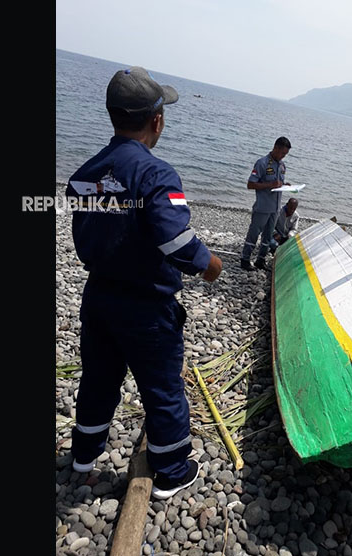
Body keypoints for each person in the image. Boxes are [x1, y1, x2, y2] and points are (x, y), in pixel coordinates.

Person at [64, 67, 223, 500]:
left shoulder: (86, 173)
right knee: (161, 386)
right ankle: (171, 471)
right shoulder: (157, 175)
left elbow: (87, 232)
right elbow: (176, 240)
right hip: (146, 307)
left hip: (98, 298)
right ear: (157, 121)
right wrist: (210, 264)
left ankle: (83, 455)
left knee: (98, 377)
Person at [240, 137, 291, 271]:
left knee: (268, 236)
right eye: (282, 153)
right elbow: (250, 184)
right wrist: (270, 184)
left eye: (285, 155)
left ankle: (260, 260)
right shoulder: (262, 163)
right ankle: (245, 259)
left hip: (275, 208)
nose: (283, 157)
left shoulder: (281, 165)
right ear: (276, 148)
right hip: (262, 207)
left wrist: (285, 186)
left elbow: (278, 183)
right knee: (254, 233)